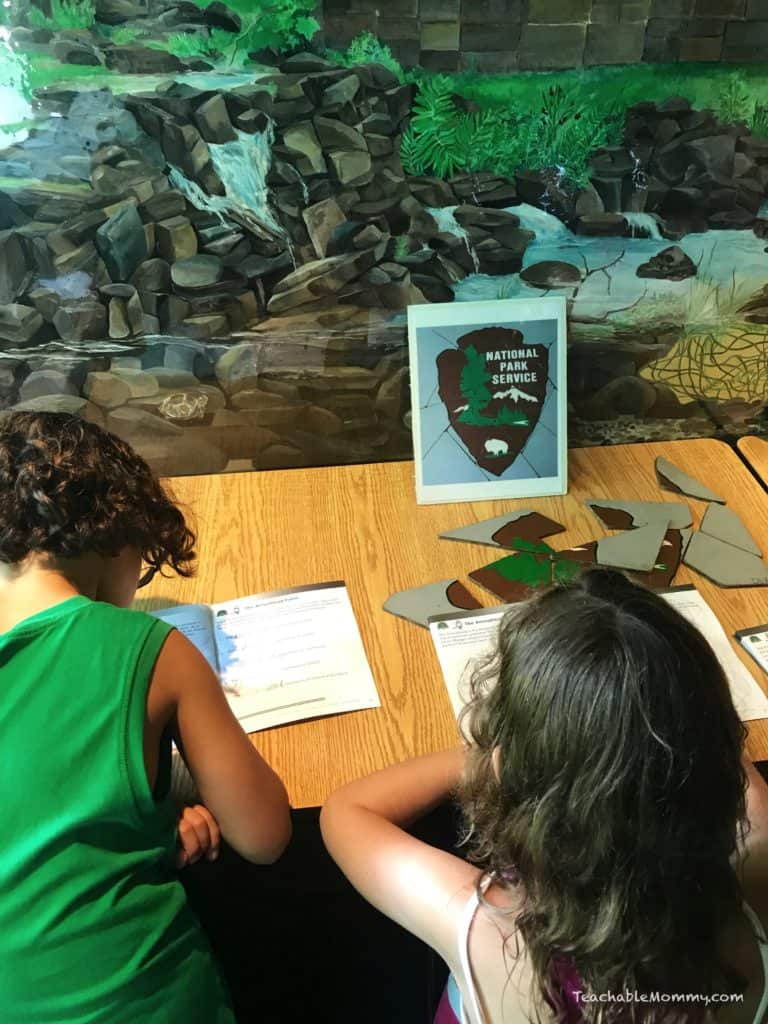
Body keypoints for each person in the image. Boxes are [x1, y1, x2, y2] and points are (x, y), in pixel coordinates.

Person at [321, 568, 768, 1024]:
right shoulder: (755, 884)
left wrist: (498, 758)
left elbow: (346, 812)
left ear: (506, 766)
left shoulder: (482, 929)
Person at [0, 411, 292, 1024]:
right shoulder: (149, 648)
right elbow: (264, 836)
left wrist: (147, 812)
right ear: (119, 538)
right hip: (146, 1003)